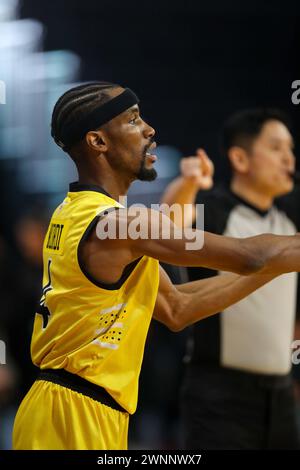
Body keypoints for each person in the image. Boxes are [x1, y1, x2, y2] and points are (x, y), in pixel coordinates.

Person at [12, 84, 300, 450]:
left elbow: (176, 307)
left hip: (82, 409)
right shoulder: (117, 225)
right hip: (72, 413)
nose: (149, 129)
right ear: (98, 142)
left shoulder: (85, 214)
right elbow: (248, 256)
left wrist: (277, 266)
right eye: (133, 120)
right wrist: (276, 258)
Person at [161, 108, 300, 449]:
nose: (289, 159)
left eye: (291, 149)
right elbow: (167, 232)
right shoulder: (215, 209)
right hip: (219, 395)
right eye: (277, 148)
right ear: (240, 157)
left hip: (281, 394)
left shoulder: (289, 222)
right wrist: (188, 184)